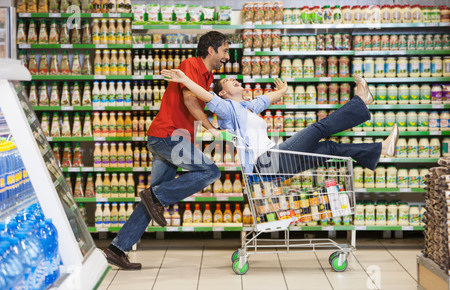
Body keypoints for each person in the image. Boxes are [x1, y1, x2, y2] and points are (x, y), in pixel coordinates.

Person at [103, 31, 230, 270]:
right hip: (169, 136)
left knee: (151, 200)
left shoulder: (208, 74)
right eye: (224, 50)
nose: (227, 55)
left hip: (170, 138)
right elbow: (190, 101)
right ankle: (156, 197)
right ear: (211, 50)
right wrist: (212, 130)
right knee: (211, 171)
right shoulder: (190, 65)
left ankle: (116, 249)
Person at [160, 69, 399, 177]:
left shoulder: (246, 107)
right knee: (317, 128)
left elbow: (266, 99)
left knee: (328, 149)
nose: (234, 80)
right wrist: (184, 79)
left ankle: (381, 150)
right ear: (222, 94)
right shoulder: (227, 110)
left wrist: (282, 91)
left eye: (234, 78)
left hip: (272, 160)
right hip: (264, 163)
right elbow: (206, 96)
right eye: (229, 81)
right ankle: (361, 101)